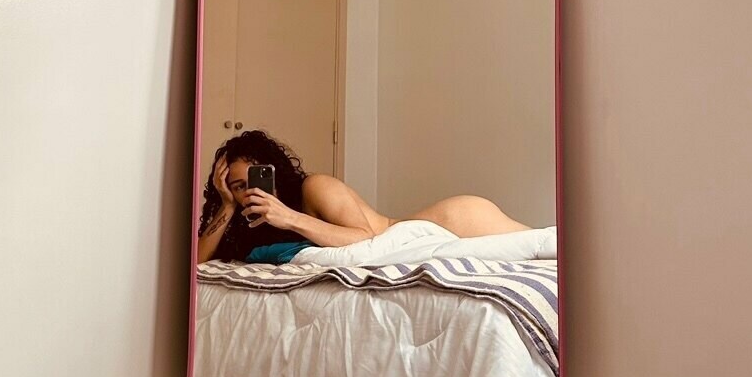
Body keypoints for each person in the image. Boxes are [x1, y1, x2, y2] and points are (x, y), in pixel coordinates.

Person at [196, 129, 530, 264]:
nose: (250, 191)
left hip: (450, 221)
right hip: (424, 238)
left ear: (275, 171)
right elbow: (198, 263)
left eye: (255, 178)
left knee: (544, 249)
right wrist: (226, 204)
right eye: (237, 185)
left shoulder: (314, 188)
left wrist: (290, 218)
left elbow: (364, 238)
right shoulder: (246, 222)